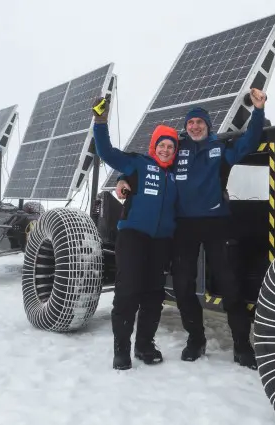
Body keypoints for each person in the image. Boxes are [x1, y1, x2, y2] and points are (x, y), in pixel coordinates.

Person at [115, 88, 267, 369]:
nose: (194, 126)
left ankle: (242, 346)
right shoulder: (178, 147)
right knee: (183, 285)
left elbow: (248, 143)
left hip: (217, 223)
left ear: (208, 126)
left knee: (229, 283)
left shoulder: (219, 149)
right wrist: (125, 179)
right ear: (185, 127)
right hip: (184, 226)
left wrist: (257, 111)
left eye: (199, 122)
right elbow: (152, 163)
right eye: (190, 123)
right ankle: (195, 339)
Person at [91, 96, 180, 370]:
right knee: (128, 291)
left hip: (162, 241)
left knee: (154, 295)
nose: (165, 150)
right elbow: (107, 153)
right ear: (154, 146)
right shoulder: (138, 164)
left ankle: (144, 345)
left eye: (170, 146)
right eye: (161, 145)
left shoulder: (176, 176)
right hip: (133, 237)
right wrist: (100, 122)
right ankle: (122, 349)